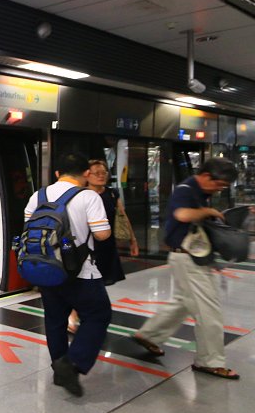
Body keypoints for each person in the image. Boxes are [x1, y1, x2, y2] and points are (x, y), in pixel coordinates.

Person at [131, 157, 241, 379]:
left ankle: (149, 335)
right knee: (208, 311)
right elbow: (182, 214)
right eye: (219, 185)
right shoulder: (186, 189)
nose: (219, 190)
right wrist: (209, 212)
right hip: (188, 259)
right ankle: (209, 361)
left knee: (182, 302)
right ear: (207, 176)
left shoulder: (200, 192)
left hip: (190, 257)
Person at [23, 151, 113, 397]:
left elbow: (29, 230)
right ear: (86, 173)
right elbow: (103, 234)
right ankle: (72, 364)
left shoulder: (37, 196)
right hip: (81, 271)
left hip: (47, 269)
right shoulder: (88, 196)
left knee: (55, 320)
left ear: (56, 174)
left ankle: (58, 368)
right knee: (98, 314)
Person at [68, 159, 139, 333]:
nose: (101, 176)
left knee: (101, 279)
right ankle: (73, 314)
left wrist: (133, 239)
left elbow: (122, 216)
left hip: (107, 244)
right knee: (85, 280)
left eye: (103, 173)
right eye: (96, 173)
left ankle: (86, 312)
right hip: (87, 245)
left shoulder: (112, 193)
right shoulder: (81, 195)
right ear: (87, 175)